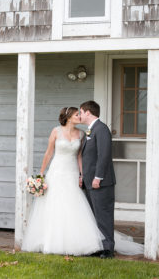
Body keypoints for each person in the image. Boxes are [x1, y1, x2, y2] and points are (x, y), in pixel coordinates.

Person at [22, 106, 144, 257]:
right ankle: (51, 241)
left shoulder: (81, 134)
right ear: (68, 117)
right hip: (57, 171)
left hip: (72, 172)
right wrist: (41, 173)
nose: (79, 117)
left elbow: (80, 156)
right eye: (76, 115)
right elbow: (49, 152)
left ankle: (79, 242)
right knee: (54, 205)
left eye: (80, 114)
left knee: (74, 205)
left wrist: (81, 175)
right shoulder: (56, 131)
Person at [80, 100, 116, 259]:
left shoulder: (101, 129)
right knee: (93, 216)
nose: (79, 115)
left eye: (80, 112)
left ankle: (108, 249)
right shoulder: (90, 130)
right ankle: (97, 247)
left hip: (100, 182)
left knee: (103, 215)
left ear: (88, 112)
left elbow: (104, 155)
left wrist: (98, 177)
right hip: (89, 182)